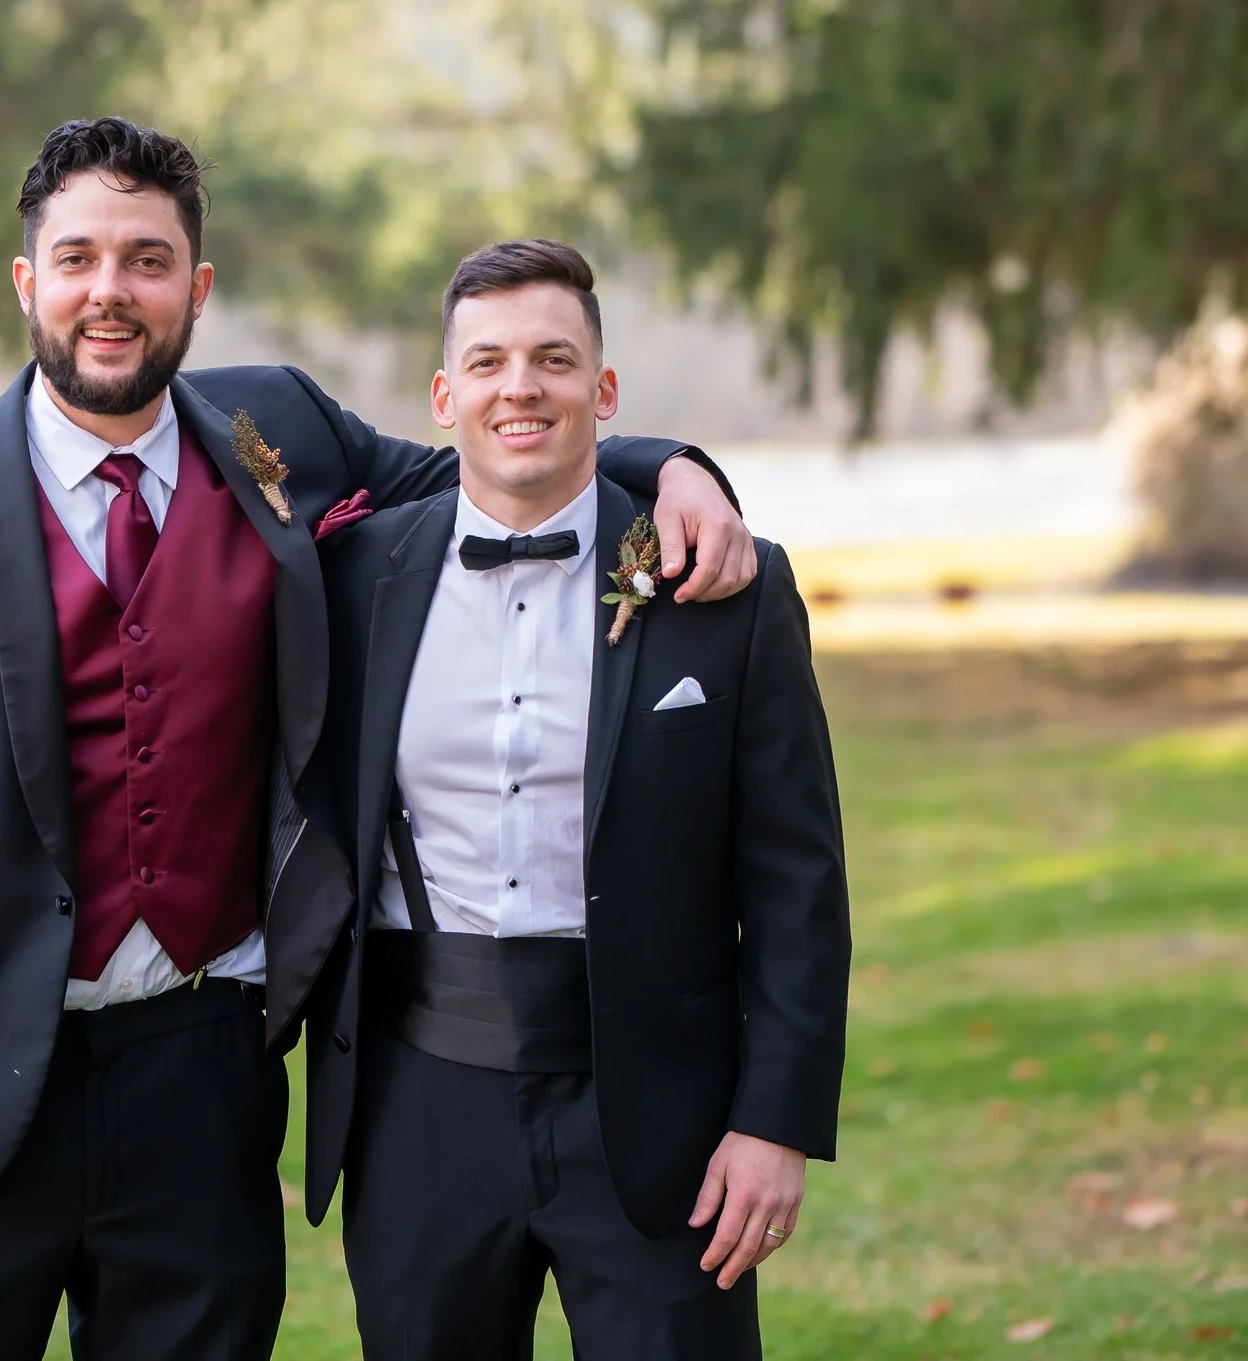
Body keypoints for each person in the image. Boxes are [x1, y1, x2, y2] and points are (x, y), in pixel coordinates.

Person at [0, 119, 758, 1361]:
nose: (110, 292)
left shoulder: (275, 431)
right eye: (77, 258)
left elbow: (494, 453)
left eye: (146, 261)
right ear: (29, 283)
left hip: (206, 1064)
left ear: (194, 290)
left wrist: (670, 464)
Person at [299, 238, 851, 1361]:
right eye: (490, 362)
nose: (521, 388)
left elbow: (797, 880)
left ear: (602, 391)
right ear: (445, 395)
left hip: (660, 1112)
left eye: (554, 360)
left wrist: (773, 1121)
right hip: (418, 1106)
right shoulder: (352, 580)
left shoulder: (726, 589)